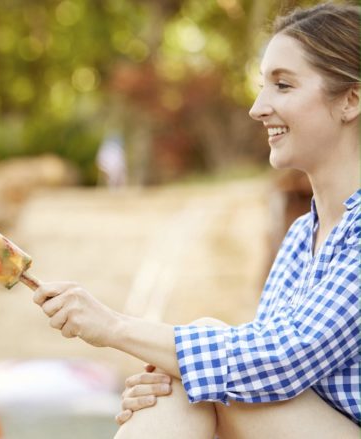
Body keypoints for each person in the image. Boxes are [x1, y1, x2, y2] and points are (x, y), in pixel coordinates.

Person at [33, 3, 360, 438]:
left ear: (351, 99)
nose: (258, 107)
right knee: (194, 377)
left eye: (282, 85)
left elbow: (281, 360)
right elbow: (251, 370)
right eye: (263, 86)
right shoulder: (303, 235)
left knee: (203, 369)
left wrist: (114, 327)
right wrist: (171, 378)